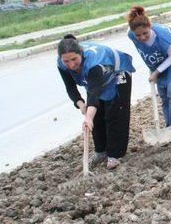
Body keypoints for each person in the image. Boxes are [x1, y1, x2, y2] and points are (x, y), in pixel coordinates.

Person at [57, 35, 135, 170]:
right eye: (66, 61)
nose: (71, 65)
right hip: (96, 81)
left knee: (115, 113)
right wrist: (81, 105)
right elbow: (70, 87)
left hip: (118, 72)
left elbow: (94, 94)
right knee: (97, 117)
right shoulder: (61, 63)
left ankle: (115, 154)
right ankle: (101, 151)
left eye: (74, 59)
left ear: (80, 53)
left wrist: (88, 117)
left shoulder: (94, 64)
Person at [127, 6, 171, 150]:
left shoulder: (162, 36)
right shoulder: (131, 35)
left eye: (145, 33)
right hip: (158, 62)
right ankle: (169, 130)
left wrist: (156, 72)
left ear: (149, 26)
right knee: (164, 96)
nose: (142, 38)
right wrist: (153, 68)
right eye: (138, 35)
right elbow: (145, 51)